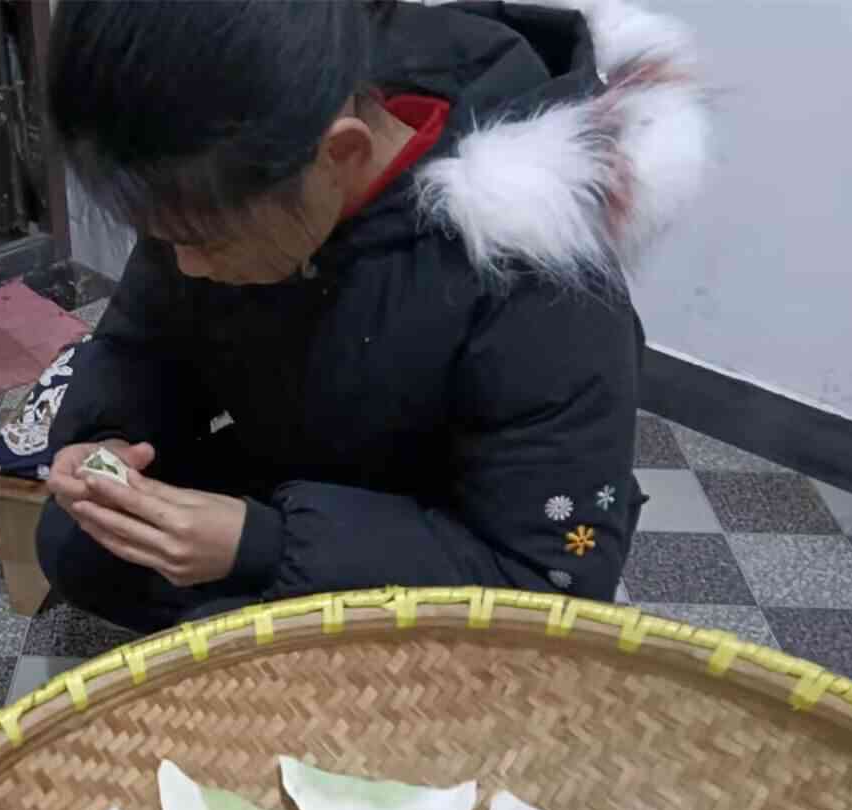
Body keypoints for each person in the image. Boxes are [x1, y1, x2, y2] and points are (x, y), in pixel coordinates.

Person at [35, 0, 707, 634]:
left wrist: (263, 544)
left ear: (342, 153)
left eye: (205, 241)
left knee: (233, 641)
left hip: (458, 541)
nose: (183, 266)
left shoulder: (540, 276)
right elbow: (146, 342)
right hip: (302, 477)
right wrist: (107, 438)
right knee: (82, 540)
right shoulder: (230, 159)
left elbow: (547, 578)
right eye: (163, 238)